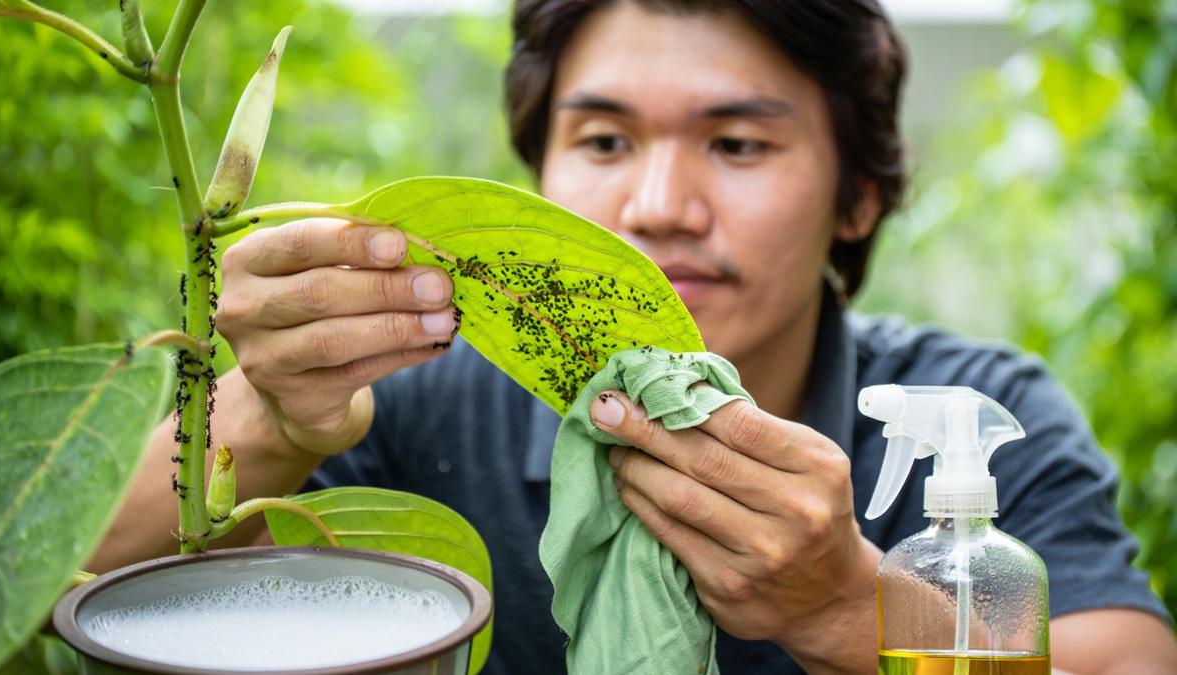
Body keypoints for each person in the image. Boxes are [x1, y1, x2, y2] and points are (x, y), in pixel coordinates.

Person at [91, 0, 1177, 672]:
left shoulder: (971, 420)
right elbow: (76, 592)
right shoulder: (408, 400)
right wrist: (270, 419)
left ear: (856, 194)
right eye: (604, 137)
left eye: (739, 144)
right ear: (537, 173)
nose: (658, 205)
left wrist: (849, 607)